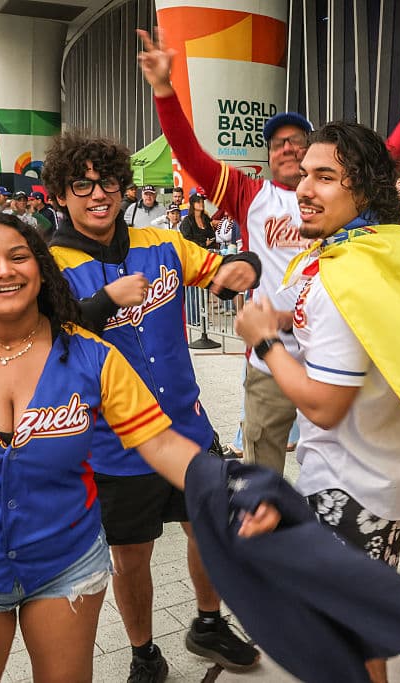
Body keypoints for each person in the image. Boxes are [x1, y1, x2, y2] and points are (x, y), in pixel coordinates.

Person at [0, 212, 280, 683]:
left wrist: (229, 491)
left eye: (18, 256)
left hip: (68, 565)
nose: (4, 271)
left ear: (41, 268)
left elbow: (161, 443)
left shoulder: (93, 355)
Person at [138, 26, 400, 474]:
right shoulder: (249, 195)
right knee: (261, 471)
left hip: (334, 351)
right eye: (278, 143)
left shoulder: (344, 195)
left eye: (298, 141)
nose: (288, 148)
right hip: (271, 357)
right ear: (269, 155)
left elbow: (391, 152)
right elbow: (190, 154)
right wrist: (163, 90)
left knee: (337, 469)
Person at [43, 131, 262, 682]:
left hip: (187, 427)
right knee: (131, 555)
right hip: (112, 445)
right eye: (81, 185)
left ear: (124, 187)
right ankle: (144, 653)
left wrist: (242, 268)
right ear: (60, 195)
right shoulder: (49, 264)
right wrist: (103, 302)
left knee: (207, 530)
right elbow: (45, 339)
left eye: (108, 182)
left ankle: (208, 623)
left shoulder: (161, 242)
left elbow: (219, 270)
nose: (98, 194)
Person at [231, 121, 400, 683]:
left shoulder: (344, 279)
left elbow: (324, 406)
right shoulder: (381, 248)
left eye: (325, 176)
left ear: (363, 188)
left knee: (338, 641)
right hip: (386, 473)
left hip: (351, 485)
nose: (303, 188)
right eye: (305, 174)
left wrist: (265, 342)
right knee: (358, 627)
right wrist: (285, 320)